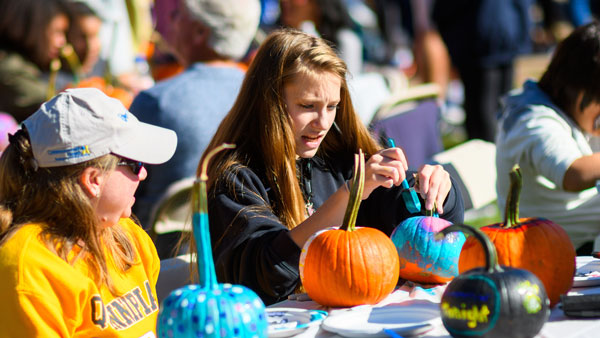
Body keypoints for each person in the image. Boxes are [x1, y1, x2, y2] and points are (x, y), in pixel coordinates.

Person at [200, 29, 465, 305]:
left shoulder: (342, 158)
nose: (323, 123)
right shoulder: (235, 177)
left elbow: (421, 229)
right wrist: (348, 196)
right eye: (307, 106)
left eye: (332, 106)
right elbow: (267, 276)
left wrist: (438, 194)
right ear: (269, 103)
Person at [0, 87, 177, 336]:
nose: (144, 174)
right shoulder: (28, 268)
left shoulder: (127, 236)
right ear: (94, 179)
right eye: (135, 165)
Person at [129, 0, 261, 258]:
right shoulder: (263, 95)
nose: (171, 23)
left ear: (200, 32)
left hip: (163, 260)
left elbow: (123, 188)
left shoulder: (158, 102)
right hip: (246, 254)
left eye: (178, 15)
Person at [496, 21, 600, 256]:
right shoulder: (533, 120)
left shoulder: (568, 111)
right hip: (548, 250)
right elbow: (573, 173)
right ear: (582, 92)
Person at [432, 0, 533, 142]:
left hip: (486, 41)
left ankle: (493, 156)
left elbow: (442, 12)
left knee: (491, 112)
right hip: (488, 40)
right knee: (488, 112)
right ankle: (491, 155)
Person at [0, 0, 70, 122]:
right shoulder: (10, 68)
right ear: (34, 27)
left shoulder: (23, 64)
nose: (62, 42)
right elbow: (52, 106)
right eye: (57, 32)